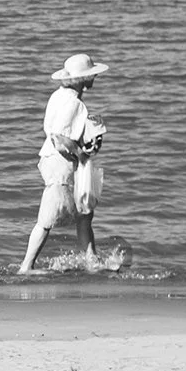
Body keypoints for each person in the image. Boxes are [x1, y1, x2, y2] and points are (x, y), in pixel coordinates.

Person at [18, 52, 111, 275]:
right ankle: (26, 266)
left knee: (84, 213)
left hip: (53, 160)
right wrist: (81, 154)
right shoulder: (74, 103)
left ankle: (91, 261)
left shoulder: (58, 95)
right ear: (82, 79)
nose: (94, 77)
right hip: (61, 163)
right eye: (91, 74)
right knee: (47, 217)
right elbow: (59, 138)